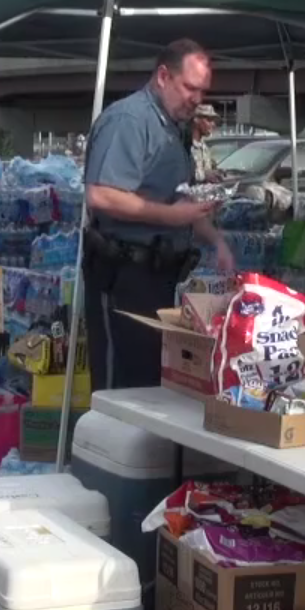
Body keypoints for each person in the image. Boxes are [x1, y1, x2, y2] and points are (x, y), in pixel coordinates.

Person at [81, 39, 233, 391]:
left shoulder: (173, 127)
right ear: (164, 76)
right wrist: (172, 217)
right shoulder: (130, 121)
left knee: (149, 384)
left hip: (158, 275)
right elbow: (100, 194)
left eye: (203, 90)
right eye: (190, 88)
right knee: (121, 388)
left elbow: (177, 199)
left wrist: (215, 240)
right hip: (122, 274)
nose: (197, 99)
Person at [189, 102, 222, 183]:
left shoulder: (205, 148)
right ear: (196, 120)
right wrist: (204, 175)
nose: (213, 124)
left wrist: (217, 172)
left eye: (213, 121)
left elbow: (209, 169)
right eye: (209, 120)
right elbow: (179, 176)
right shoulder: (186, 148)